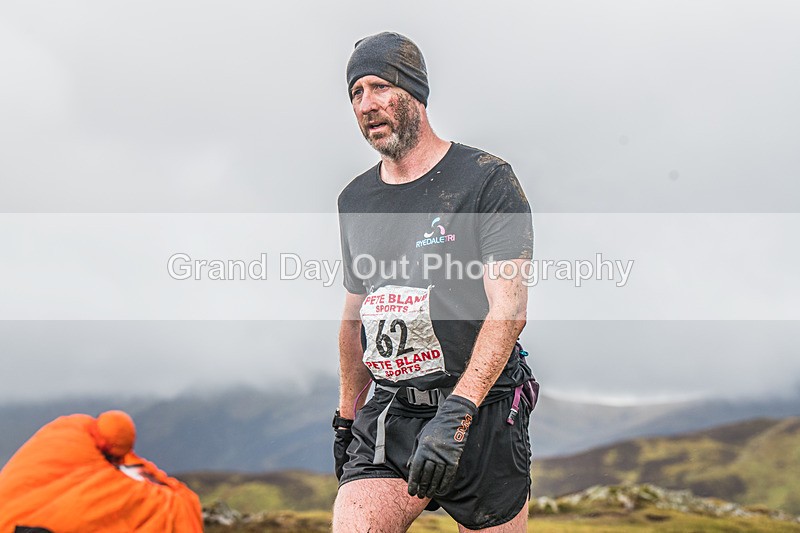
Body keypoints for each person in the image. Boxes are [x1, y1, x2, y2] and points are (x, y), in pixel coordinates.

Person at [333, 32, 538, 532]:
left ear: (415, 93)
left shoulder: (486, 179)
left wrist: (459, 412)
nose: (366, 104)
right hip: (393, 409)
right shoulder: (354, 199)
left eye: (379, 87)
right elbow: (356, 315)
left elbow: (509, 310)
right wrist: (345, 415)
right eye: (355, 93)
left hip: (482, 408)